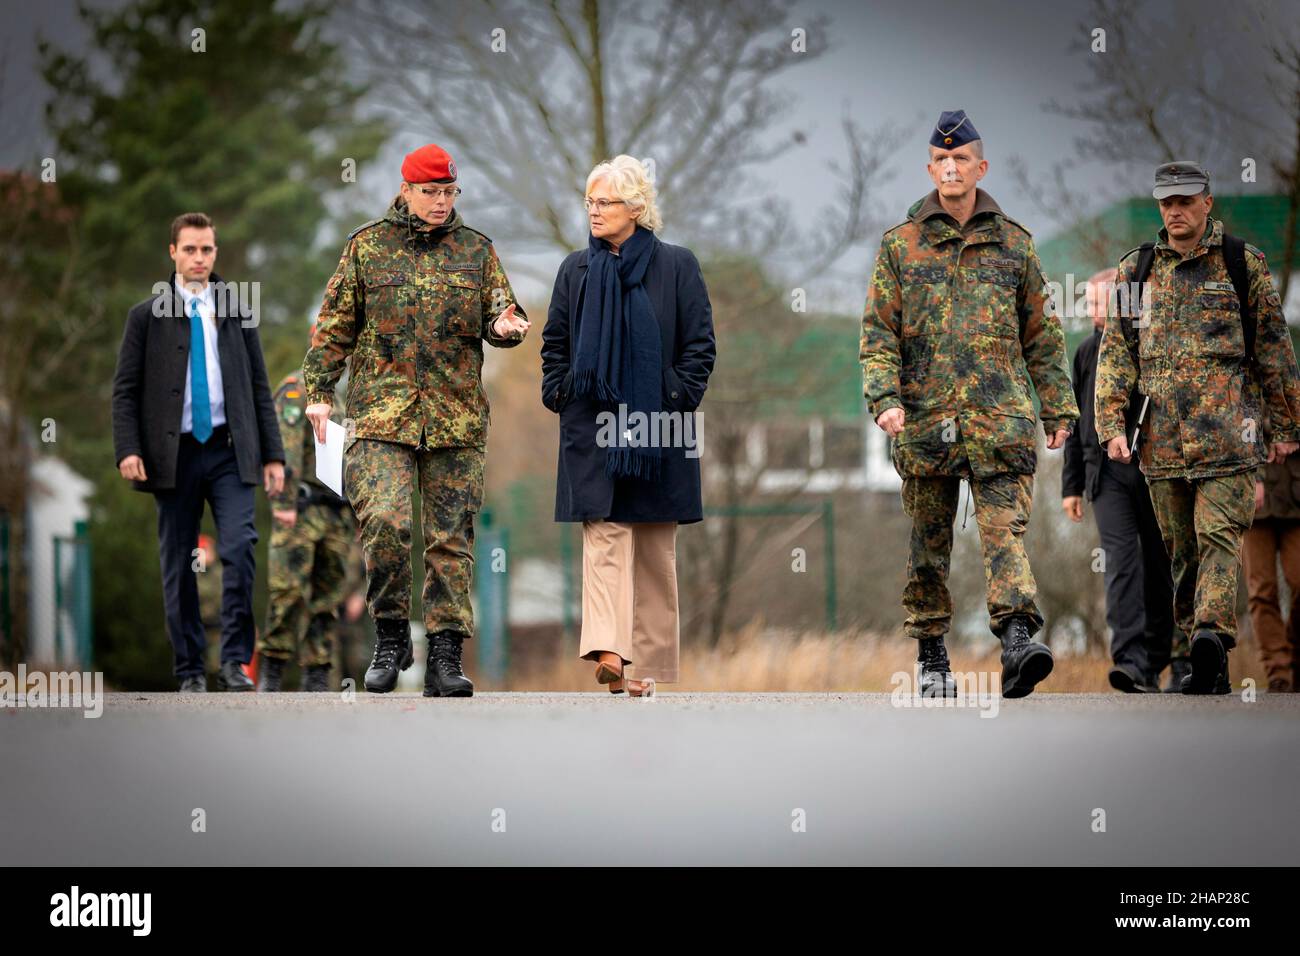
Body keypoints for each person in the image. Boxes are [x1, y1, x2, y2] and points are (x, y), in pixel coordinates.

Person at [860, 110, 1078, 699]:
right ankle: (932, 655)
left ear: (980, 167)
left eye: (961, 160)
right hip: (926, 421)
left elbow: (1043, 335)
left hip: (999, 419)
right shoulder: (900, 247)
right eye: (941, 160)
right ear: (930, 168)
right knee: (929, 543)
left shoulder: (1015, 244)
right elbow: (878, 335)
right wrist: (884, 400)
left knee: (1005, 532)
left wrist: (1059, 409)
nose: (950, 168)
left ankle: (1015, 639)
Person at [302, 144, 529, 697]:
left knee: (451, 539)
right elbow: (333, 325)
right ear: (406, 189)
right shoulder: (367, 248)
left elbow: (505, 310)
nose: (440, 202)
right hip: (382, 418)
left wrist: (506, 326)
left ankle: (446, 657)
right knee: (385, 521)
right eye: (431, 192)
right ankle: (390, 634)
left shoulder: (477, 252)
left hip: (455, 421)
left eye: (449, 192)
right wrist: (319, 392)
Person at [1095, 161, 1300, 694]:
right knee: (1181, 552)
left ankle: (1211, 633)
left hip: (1232, 441)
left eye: (1185, 201)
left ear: (1207, 202)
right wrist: (1110, 424)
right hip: (1162, 445)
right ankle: (1202, 662)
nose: (1176, 211)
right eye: (1167, 203)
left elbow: (1276, 354)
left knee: (1218, 538)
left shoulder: (1241, 263)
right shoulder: (1135, 270)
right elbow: (1117, 354)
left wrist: (1286, 425)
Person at [541, 155, 716, 697]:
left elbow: (699, 347)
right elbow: (554, 347)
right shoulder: (575, 270)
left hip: (656, 424)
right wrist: (565, 391)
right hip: (592, 427)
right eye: (589, 202)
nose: (593, 211)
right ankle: (612, 652)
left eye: (605, 202)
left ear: (636, 208)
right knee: (606, 536)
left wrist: (670, 396)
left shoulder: (678, 265)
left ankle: (648, 669)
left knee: (655, 547)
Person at [111, 212, 285, 692]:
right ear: (173, 252)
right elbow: (125, 391)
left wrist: (273, 455)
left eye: (207, 249)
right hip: (175, 456)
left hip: (230, 451)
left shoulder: (235, 308)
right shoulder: (146, 317)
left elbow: (257, 383)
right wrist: (128, 448)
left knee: (239, 548)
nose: (199, 258)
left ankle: (233, 663)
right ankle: (189, 669)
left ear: (215, 252)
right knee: (178, 562)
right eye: (190, 249)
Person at [1062, 269, 1178, 692]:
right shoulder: (1086, 353)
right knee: (1120, 565)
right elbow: (1076, 423)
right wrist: (1071, 486)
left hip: (1153, 471)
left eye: (1100, 304)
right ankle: (1129, 661)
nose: (1094, 313)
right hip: (1105, 477)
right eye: (1090, 305)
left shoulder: (1151, 344)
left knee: (1160, 566)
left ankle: (1164, 658)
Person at [257, 347, 357, 693]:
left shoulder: (345, 397)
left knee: (327, 598)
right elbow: (284, 447)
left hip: (335, 513)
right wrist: (283, 502)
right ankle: (272, 667)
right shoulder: (296, 389)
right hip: (298, 509)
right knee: (288, 593)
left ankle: (317, 672)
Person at [1243, 443, 1300, 693]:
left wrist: (1291, 433)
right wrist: (1253, 475)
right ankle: (1278, 671)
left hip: (1296, 489)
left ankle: (1296, 661)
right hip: (1257, 497)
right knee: (1262, 589)